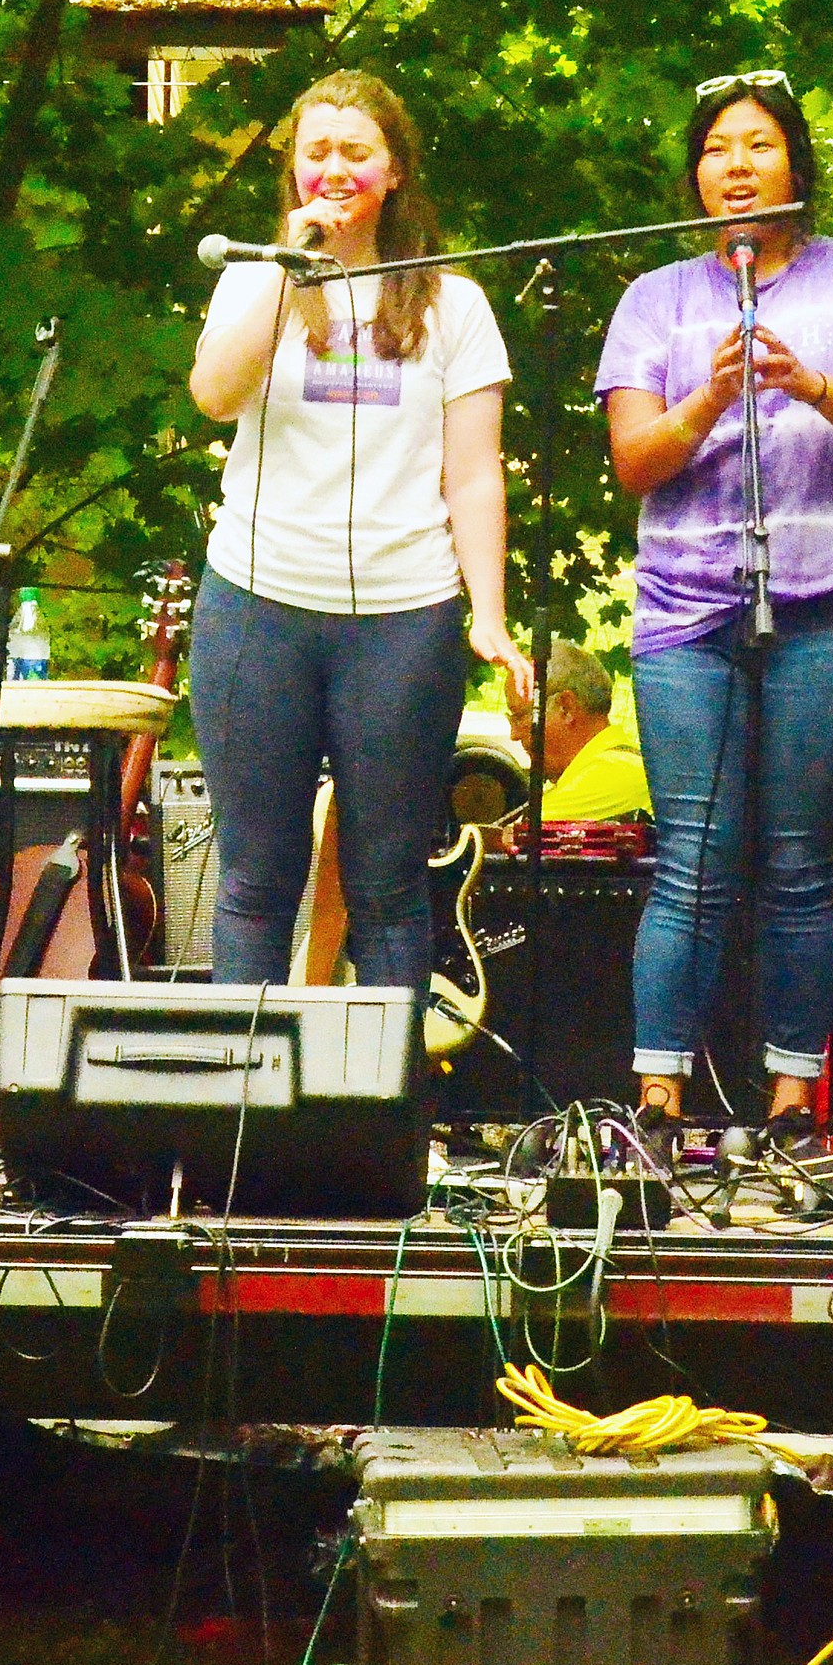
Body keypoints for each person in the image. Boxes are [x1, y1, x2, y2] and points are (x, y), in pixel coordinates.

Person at [594, 70, 833, 1138]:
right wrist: (710, 394)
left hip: (829, 606)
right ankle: (657, 1096)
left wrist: (814, 387)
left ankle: (795, 1097)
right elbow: (633, 459)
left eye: (757, 144)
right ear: (696, 178)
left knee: (799, 859)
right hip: (686, 611)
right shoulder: (657, 297)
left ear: (795, 162)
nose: (736, 163)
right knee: (693, 857)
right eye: (716, 148)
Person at [188, 69, 531, 1001]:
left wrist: (487, 614)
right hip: (258, 604)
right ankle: (237, 1133)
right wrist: (285, 263)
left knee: (386, 889)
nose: (332, 169)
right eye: (315, 153)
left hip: (401, 616)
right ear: (294, 171)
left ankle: (388, 1135)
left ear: (394, 173)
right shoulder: (255, 281)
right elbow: (215, 395)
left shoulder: (453, 306)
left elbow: (472, 471)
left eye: (355, 152)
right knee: (257, 883)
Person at [505, 639, 652, 823]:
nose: (514, 735)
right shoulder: (620, 764)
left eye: (519, 717)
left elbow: (509, 835)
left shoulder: (609, 773)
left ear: (566, 708)